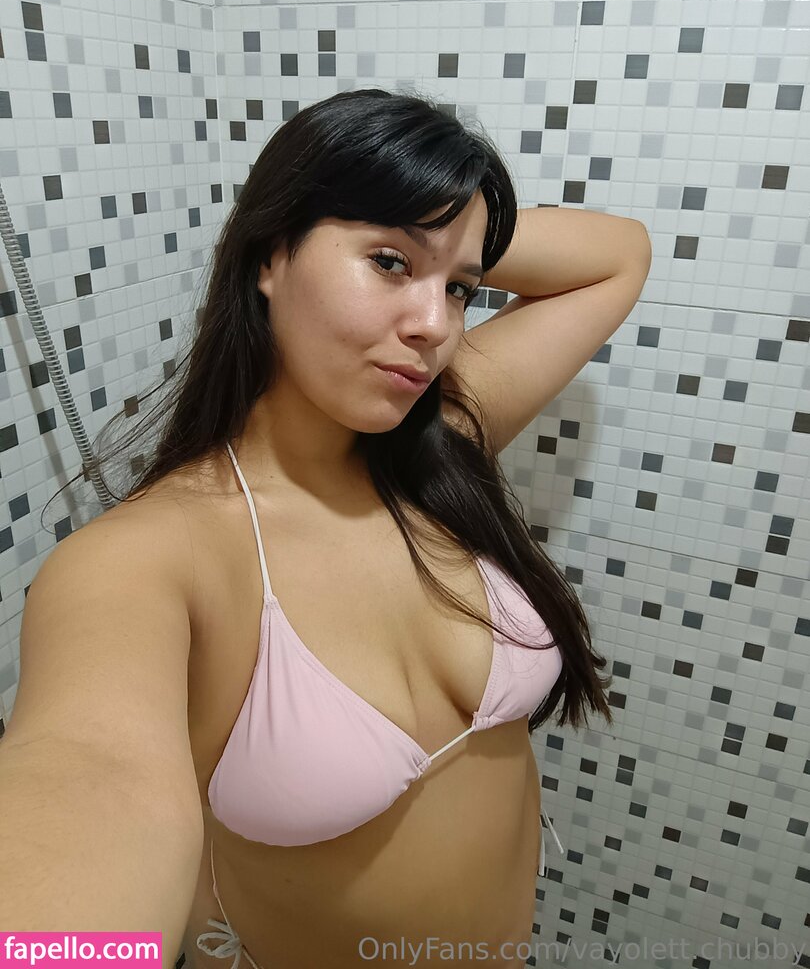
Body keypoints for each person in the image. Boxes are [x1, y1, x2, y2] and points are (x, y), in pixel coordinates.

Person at [0, 89, 624, 969]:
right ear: (270, 254)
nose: (435, 326)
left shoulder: (439, 441)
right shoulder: (147, 561)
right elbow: (84, 779)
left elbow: (618, 256)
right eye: (389, 263)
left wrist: (438, 226)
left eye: (460, 288)